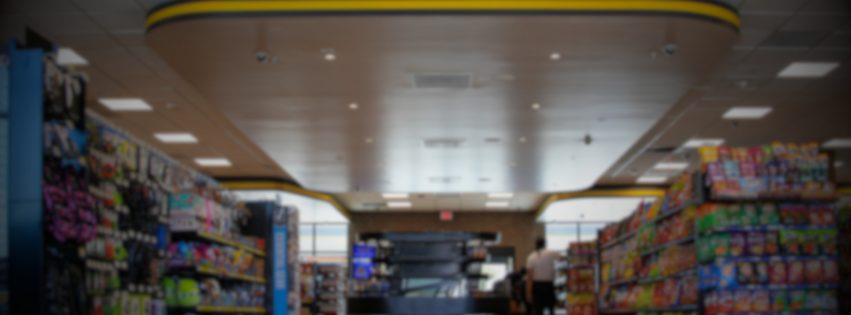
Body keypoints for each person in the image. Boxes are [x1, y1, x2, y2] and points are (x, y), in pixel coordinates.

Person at [526, 238, 559, 315]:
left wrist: (528, 292)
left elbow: (530, 278)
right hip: (549, 285)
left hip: (537, 286)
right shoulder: (551, 253)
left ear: (536, 245)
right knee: (551, 308)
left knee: (538, 310)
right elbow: (563, 258)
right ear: (545, 244)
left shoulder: (531, 257)